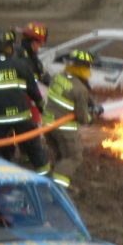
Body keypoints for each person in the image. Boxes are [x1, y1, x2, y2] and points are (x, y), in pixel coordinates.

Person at [0, 29, 50, 175]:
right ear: (11, 47)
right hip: (20, 116)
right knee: (34, 147)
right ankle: (46, 178)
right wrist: (42, 108)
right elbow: (34, 92)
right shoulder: (21, 65)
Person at [42, 49, 103, 190]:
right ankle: (56, 189)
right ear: (83, 68)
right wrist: (92, 116)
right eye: (88, 67)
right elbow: (82, 118)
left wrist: (92, 104)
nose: (90, 70)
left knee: (61, 156)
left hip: (48, 124)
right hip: (64, 129)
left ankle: (59, 185)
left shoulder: (59, 77)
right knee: (74, 157)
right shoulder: (80, 89)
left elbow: (73, 93)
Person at [15, 22, 49, 125]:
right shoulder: (19, 56)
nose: (40, 47)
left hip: (28, 100)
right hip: (23, 102)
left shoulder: (30, 55)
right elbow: (30, 82)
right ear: (33, 42)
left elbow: (42, 74)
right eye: (40, 44)